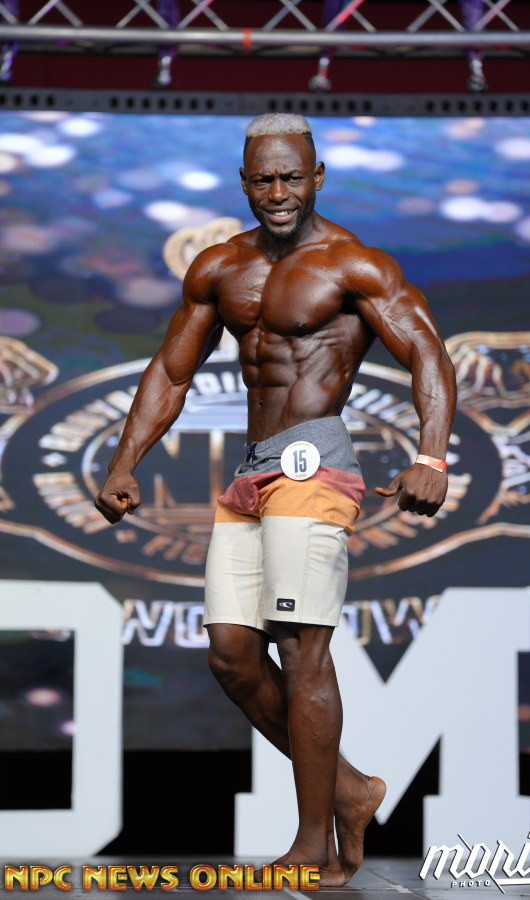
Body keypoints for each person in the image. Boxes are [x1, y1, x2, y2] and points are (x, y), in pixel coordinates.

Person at [95, 113, 457, 885]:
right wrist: (126, 460)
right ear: (244, 183)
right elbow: (172, 370)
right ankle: (351, 790)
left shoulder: (354, 265)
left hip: (314, 462)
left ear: (318, 176)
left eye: (292, 176)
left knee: (299, 646)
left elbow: (426, 349)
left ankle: (311, 842)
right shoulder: (220, 266)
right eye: (264, 179)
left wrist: (431, 454)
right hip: (251, 471)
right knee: (231, 655)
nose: (279, 192)